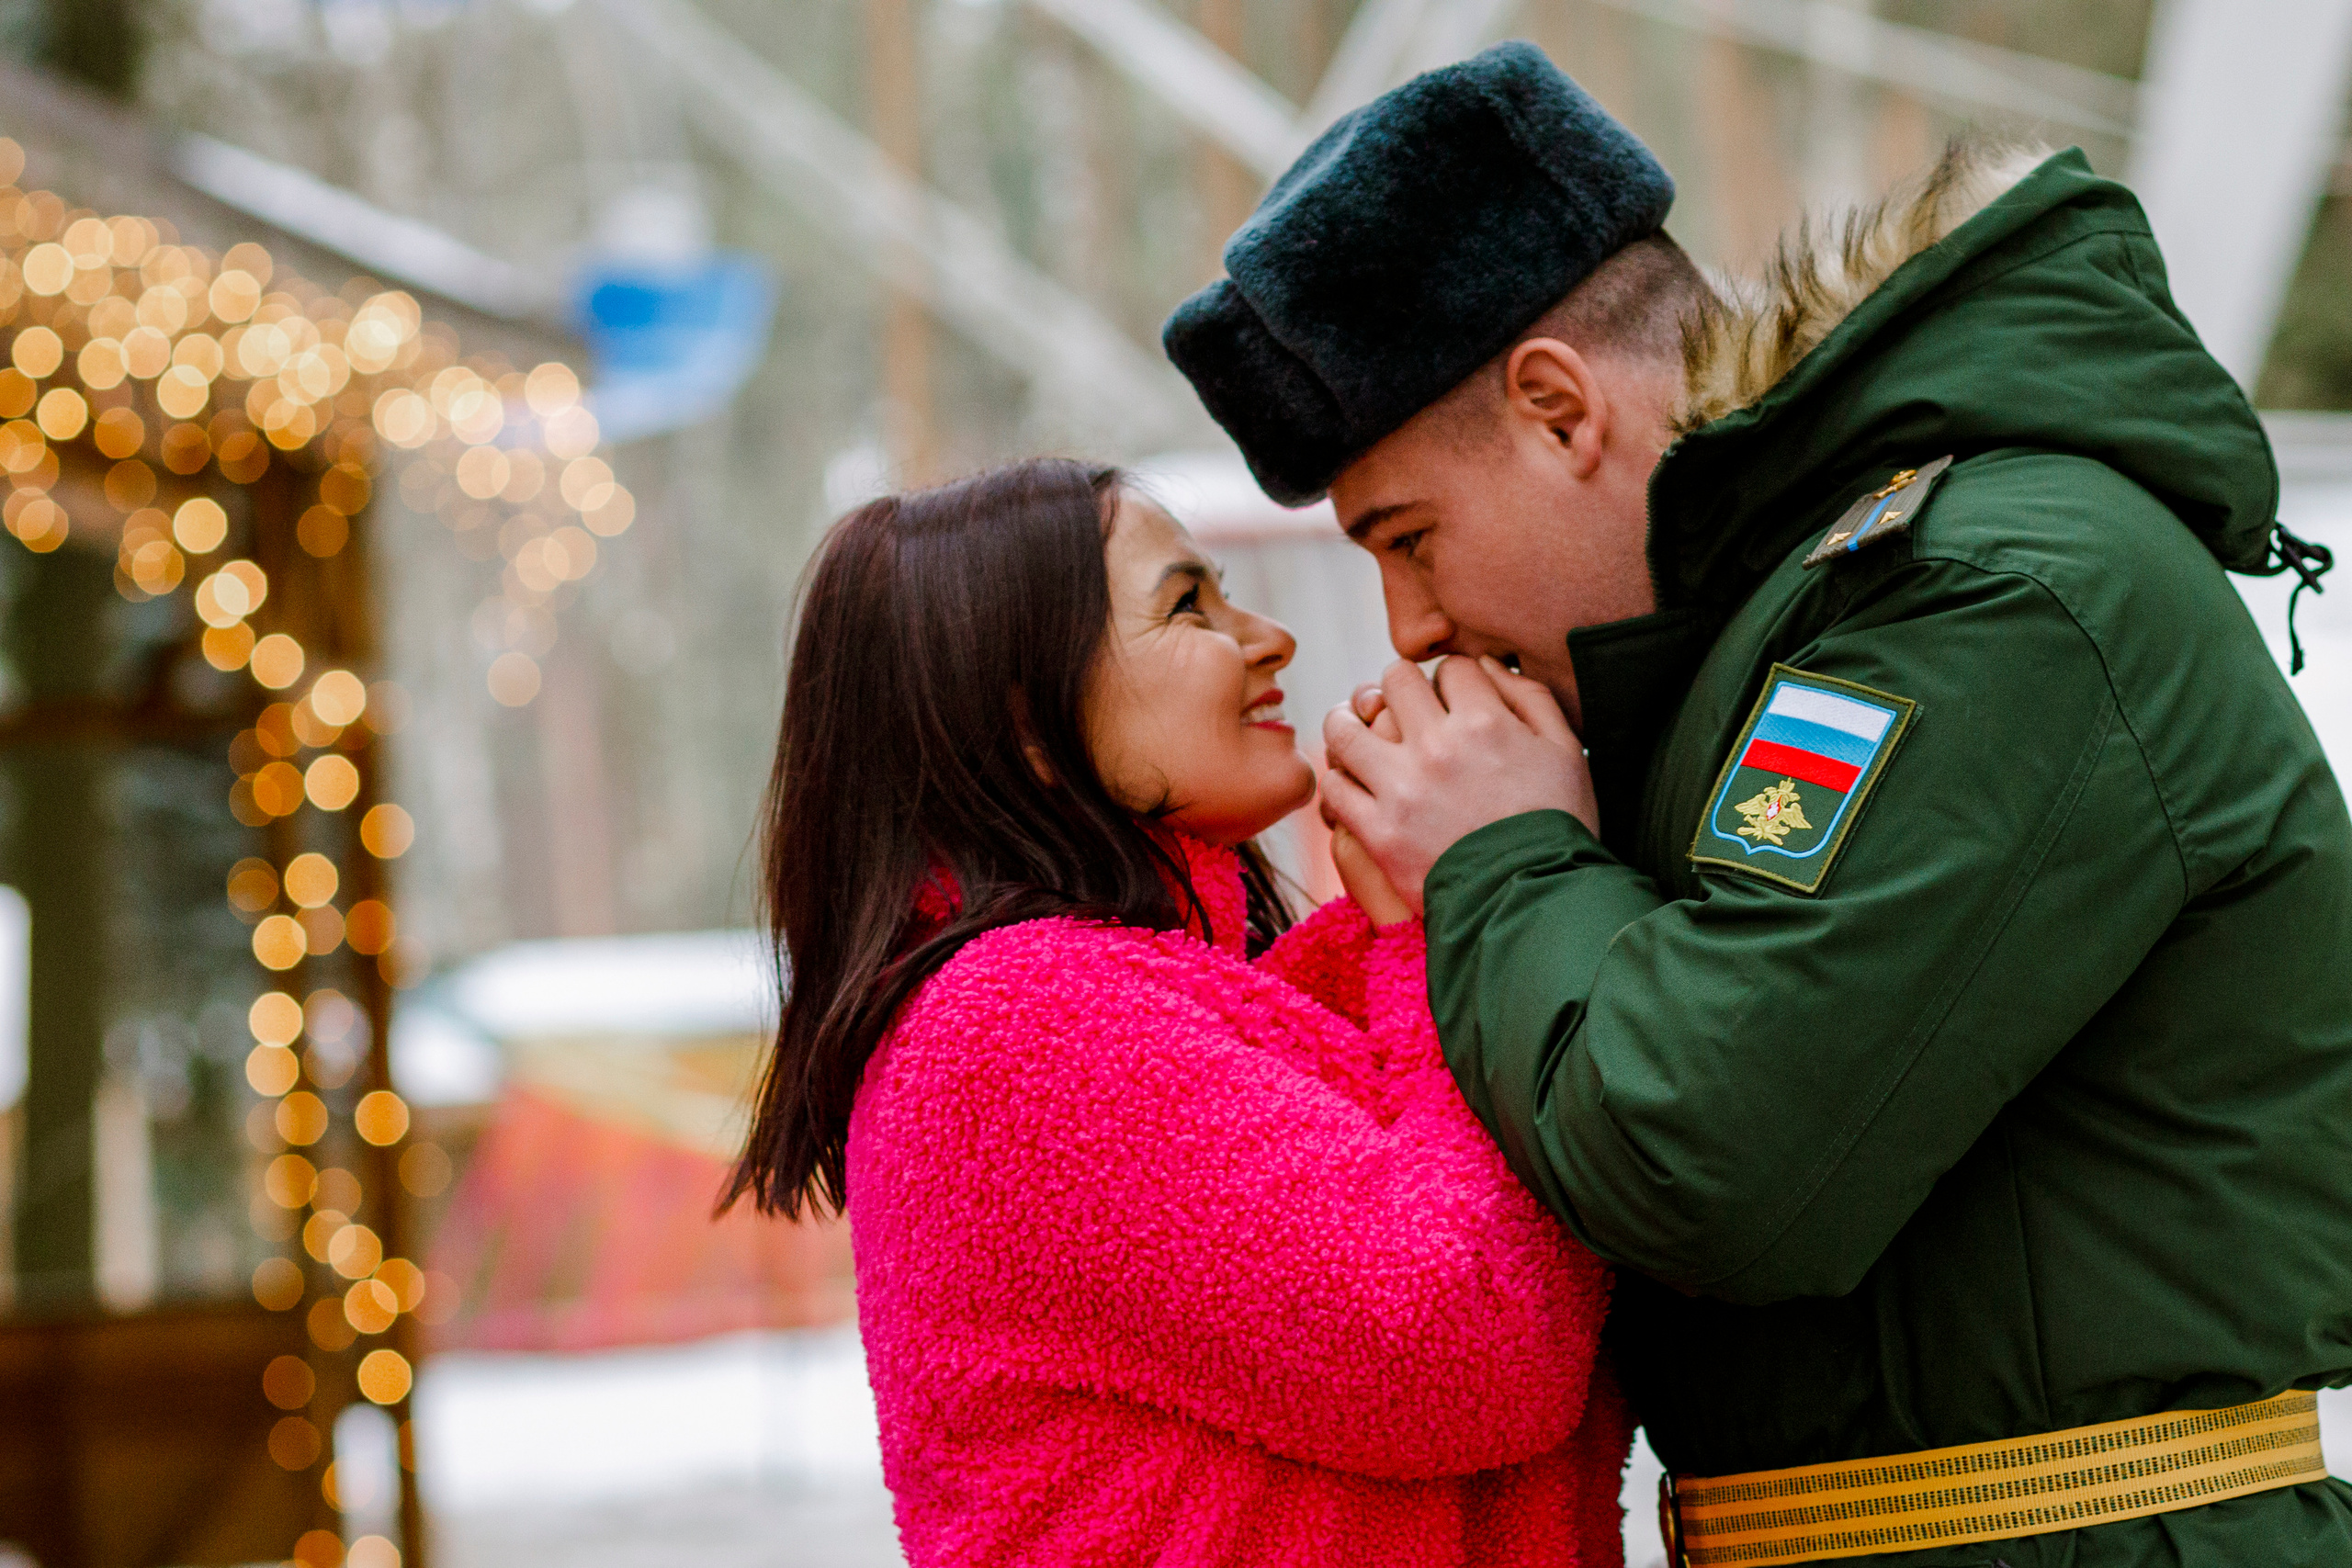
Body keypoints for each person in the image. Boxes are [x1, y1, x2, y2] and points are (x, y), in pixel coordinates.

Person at [1164, 42, 2352, 1568]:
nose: (1407, 624)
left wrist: (1508, 864)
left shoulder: (1984, 590)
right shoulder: (1785, 636)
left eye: (1409, 537)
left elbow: (1712, 1155)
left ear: (1555, 406)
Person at [726, 458, 1634, 1567]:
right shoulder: (1015, 1030)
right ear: (1021, 719)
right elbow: (1462, 1346)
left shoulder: (1181, 1004)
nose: (1267, 638)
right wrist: (1453, 920)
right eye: (1187, 605)